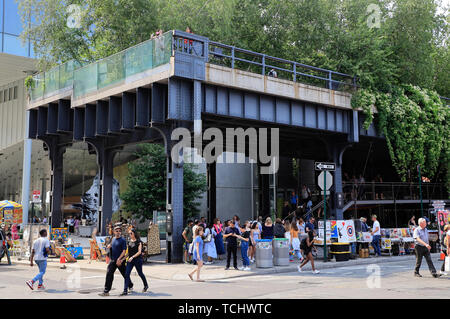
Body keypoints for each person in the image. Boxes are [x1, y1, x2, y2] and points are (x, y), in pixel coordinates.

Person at [99, 226, 134, 296]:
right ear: (114, 232)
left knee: (124, 274)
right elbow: (112, 245)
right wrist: (109, 246)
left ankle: (130, 285)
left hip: (120, 261)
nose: (118, 232)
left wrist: (119, 259)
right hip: (113, 260)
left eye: (119, 231)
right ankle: (106, 291)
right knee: (109, 273)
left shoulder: (123, 240)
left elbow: (124, 251)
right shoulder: (113, 238)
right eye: (116, 231)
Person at [121, 228, 148, 295]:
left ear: (134, 234)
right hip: (130, 260)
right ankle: (125, 290)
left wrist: (132, 257)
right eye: (129, 233)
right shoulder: (129, 241)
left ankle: (146, 285)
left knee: (140, 273)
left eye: (131, 233)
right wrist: (123, 259)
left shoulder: (139, 242)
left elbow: (139, 252)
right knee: (126, 274)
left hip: (137, 260)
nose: (130, 234)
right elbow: (128, 253)